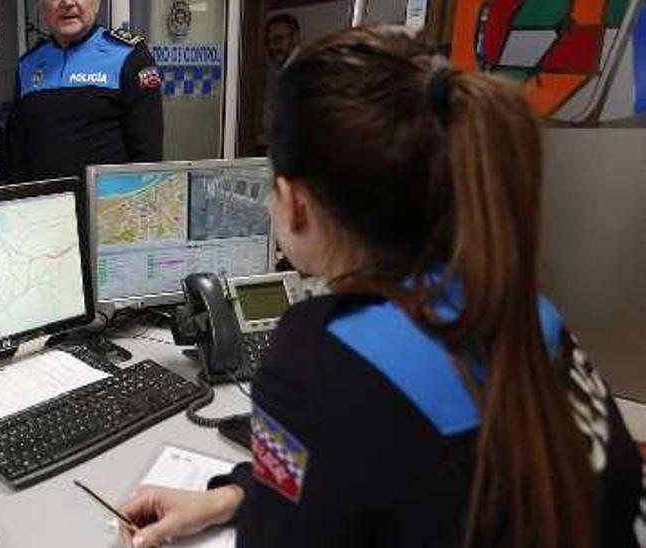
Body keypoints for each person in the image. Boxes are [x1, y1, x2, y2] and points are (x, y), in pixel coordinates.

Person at [118, 26, 644, 548]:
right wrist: (232, 495)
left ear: (293, 203)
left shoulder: (317, 361)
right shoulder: (523, 306)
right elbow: (412, 481)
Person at [3, 0, 163, 182]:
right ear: (41, 6)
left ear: (96, 3)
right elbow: (15, 154)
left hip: (107, 204)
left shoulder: (129, 56)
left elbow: (148, 156)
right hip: (44, 206)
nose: (67, 3)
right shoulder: (28, 64)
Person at [258, 14, 300, 153]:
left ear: (295, 38)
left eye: (278, 39)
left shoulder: (303, 70)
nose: (272, 47)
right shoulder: (280, 72)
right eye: (268, 41)